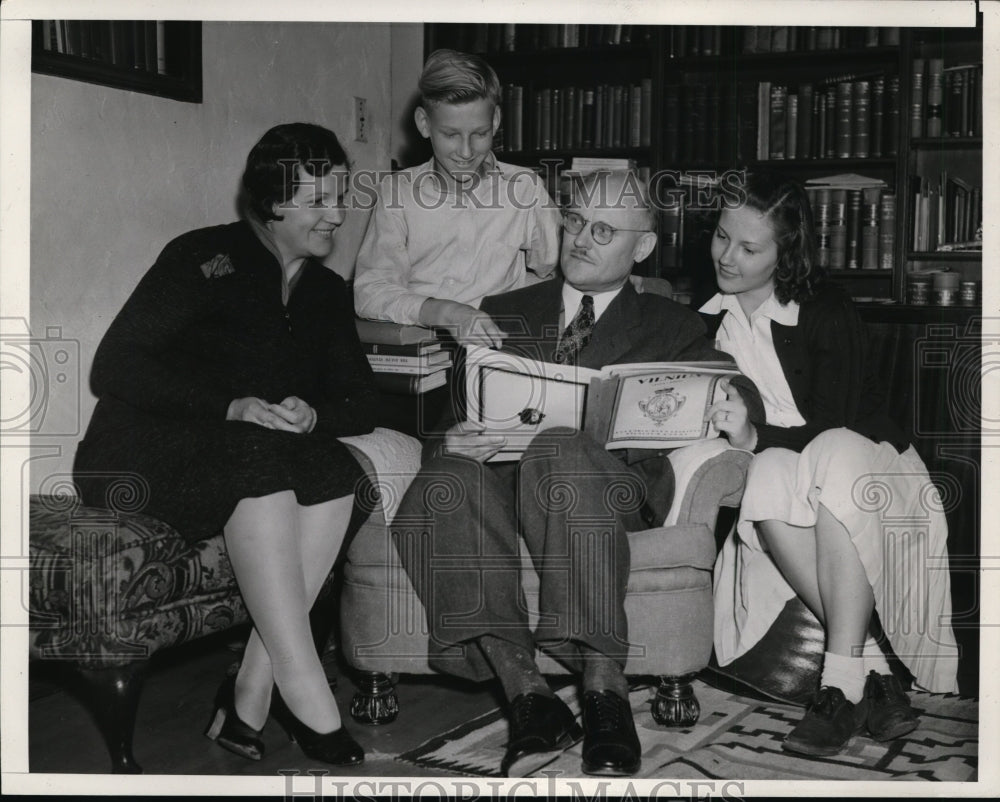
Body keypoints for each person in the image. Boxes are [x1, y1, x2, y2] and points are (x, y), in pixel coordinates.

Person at [391, 170, 755, 778]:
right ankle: (528, 694)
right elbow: (451, 415)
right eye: (575, 222)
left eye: (604, 229)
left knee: (559, 447)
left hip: (607, 492)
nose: (581, 238)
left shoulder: (672, 324)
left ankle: (604, 689)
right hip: (503, 491)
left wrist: (741, 411)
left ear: (641, 247)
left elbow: (732, 384)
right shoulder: (501, 312)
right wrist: (450, 440)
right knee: (445, 479)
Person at [73, 123, 380, 766]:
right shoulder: (202, 257)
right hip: (139, 450)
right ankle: (306, 692)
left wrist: (313, 411)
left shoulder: (325, 293)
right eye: (321, 199)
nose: (339, 213)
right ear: (275, 202)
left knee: (342, 472)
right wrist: (228, 405)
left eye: (341, 196)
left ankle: (250, 690)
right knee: (258, 459)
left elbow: (362, 400)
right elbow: (117, 365)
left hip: (244, 450)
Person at [699, 170, 959, 758]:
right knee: (763, 473)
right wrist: (743, 439)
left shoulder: (826, 308)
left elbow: (833, 421)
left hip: (869, 468)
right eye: (721, 237)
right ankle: (874, 670)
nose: (727, 257)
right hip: (791, 470)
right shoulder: (710, 322)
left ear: (785, 252)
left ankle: (837, 686)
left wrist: (753, 431)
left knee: (832, 453)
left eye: (749, 247)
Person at [353, 48, 561, 347]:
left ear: (497, 120)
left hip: (501, 348)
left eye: (479, 133)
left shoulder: (525, 188)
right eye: (450, 134)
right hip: (424, 348)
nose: (466, 152)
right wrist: (445, 312)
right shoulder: (397, 193)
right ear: (424, 124)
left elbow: (553, 270)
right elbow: (370, 293)